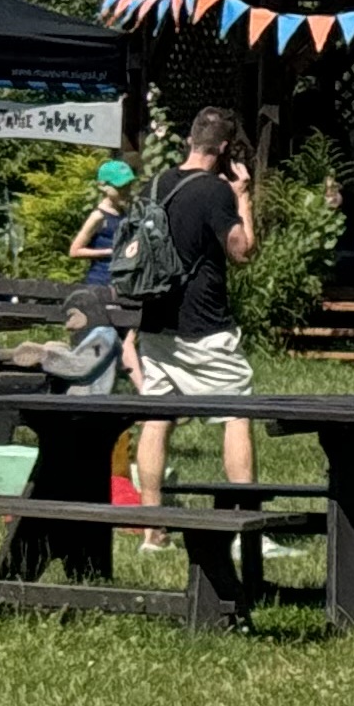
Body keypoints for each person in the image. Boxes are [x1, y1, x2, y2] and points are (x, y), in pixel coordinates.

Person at [129, 109, 260, 513]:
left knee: (157, 418)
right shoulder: (215, 191)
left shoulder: (154, 185)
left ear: (190, 140)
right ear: (224, 148)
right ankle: (245, 525)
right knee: (236, 411)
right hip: (204, 323)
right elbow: (242, 251)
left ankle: (152, 527)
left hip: (155, 320)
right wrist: (243, 197)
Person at [68, 159, 138, 292]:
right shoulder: (98, 216)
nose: (126, 191)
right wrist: (109, 252)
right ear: (103, 187)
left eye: (128, 186)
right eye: (120, 187)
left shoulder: (125, 213)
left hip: (122, 284)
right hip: (100, 284)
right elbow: (75, 251)